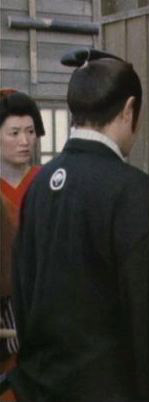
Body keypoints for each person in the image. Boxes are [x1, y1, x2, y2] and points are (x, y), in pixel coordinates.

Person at [10, 48, 149, 402]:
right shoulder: (129, 188)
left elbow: (22, 287)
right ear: (129, 110)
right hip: (113, 384)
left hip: (45, 383)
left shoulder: (40, 185)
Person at [0, 88, 45, 401]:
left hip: (44, 303)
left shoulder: (50, 181)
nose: (24, 141)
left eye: (30, 131)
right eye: (14, 132)